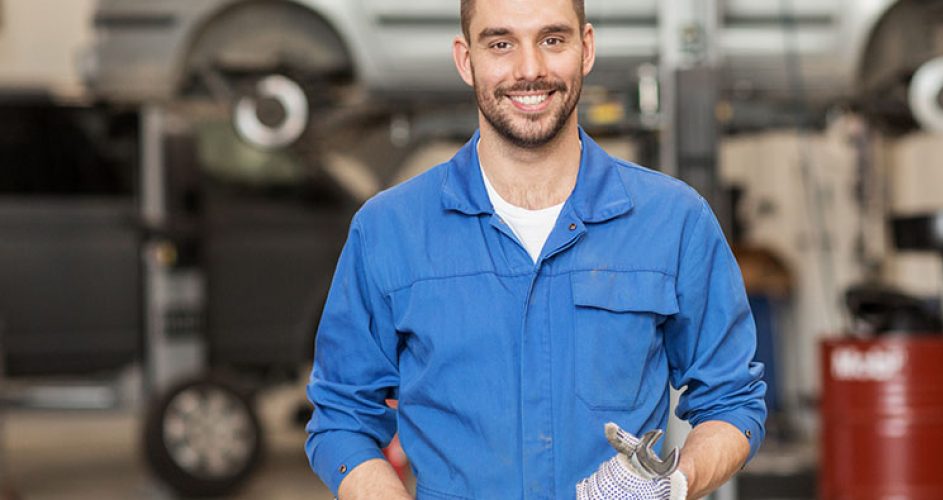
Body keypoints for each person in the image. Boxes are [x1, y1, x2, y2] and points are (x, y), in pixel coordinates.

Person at [304, 0, 767, 498]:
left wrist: (673, 484)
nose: (530, 70)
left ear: (585, 48)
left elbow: (732, 401)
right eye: (501, 44)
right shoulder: (388, 230)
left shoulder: (673, 221)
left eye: (552, 40)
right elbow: (342, 419)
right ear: (466, 60)